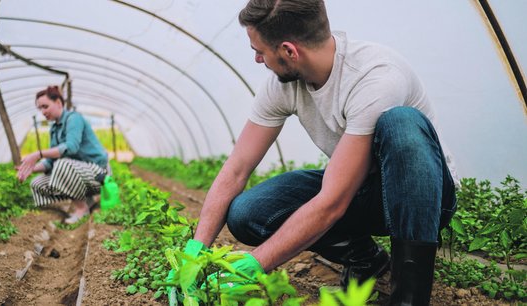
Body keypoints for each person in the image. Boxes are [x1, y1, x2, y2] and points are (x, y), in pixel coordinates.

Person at [179, 0, 458, 305]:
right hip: (360, 189)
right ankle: (366, 258)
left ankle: (409, 299)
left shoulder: (375, 77)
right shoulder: (281, 85)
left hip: (423, 199)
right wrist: (196, 251)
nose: (258, 59)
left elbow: (332, 204)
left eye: (259, 50)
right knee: (248, 213)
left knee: (401, 121)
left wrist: (255, 263)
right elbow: (236, 169)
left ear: (289, 51)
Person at [16, 85, 109, 224]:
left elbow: (71, 148)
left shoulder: (74, 119)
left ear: (58, 103)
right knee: (38, 183)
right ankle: (72, 206)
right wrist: (31, 168)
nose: (42, 111)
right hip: (78, 174)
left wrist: (38, 154)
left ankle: (81, 208)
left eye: (45, 106)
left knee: (62, 164)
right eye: (40, 108)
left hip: (98, 173)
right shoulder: (54, 128)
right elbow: (49, 162)